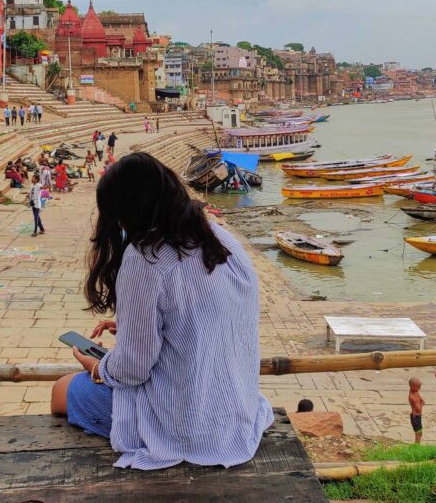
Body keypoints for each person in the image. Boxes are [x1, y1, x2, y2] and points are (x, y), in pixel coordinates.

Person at [50, 152, 273, 470]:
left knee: (62, 390)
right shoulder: (221, 237)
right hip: (237, 412)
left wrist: (97, 368)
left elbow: (132, 370)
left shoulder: (145, 259)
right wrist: (132, 323)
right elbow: (199, 316)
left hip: (187, 425)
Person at [408, 377, 424, 444]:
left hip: (418, 416)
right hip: (415, 417)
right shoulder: (412, 397)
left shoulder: (416, 393)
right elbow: (419, 409)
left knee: (420, 432)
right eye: (418, 387)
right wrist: (421, 404)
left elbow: (423, 401)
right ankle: (417, 446)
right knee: (418, 433)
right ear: (412, 386)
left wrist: (420, 404)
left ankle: (417, 445)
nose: (419, 389)